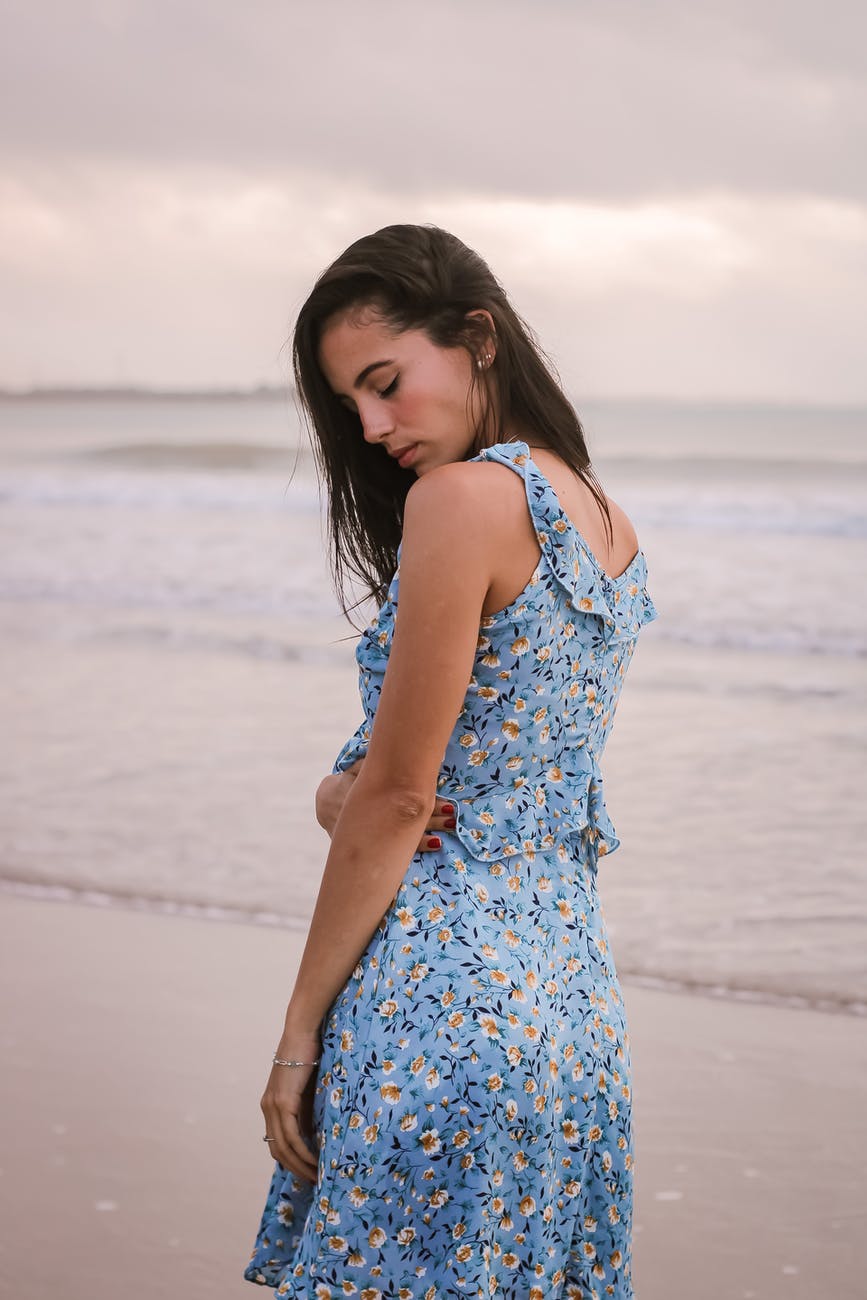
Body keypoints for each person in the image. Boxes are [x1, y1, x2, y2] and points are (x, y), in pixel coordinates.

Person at [244, 224, 658, 1299]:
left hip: (441, 1006)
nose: (374, 427)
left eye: (386, 383)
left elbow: (400, 798)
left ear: (476, 336)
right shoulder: (606, 520)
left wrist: (297, 1039)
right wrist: (343, 791)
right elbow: (499, 765)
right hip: (573, 1014)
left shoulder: (464, 501)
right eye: (351, 407)